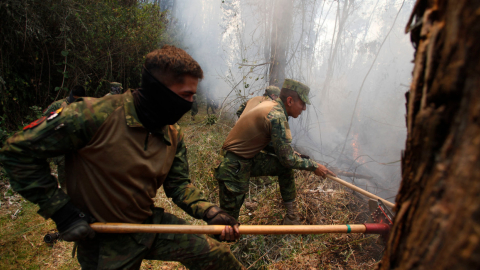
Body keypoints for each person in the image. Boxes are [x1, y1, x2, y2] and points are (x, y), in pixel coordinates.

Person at [0, 45, 243, 270]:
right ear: (159, 90)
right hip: (103, 238)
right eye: (186, 95)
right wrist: (62, 212)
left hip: (147, 225)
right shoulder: (95, 115)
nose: (190, 104)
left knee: (218, 257)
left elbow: (178, 185)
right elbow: (17, 152)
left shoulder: (173, 133)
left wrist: (210, 212)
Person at [215, 79, 336, 225]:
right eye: (302, 103)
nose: (304, 108)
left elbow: (273, 147)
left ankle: (291, 217)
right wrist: (314, 166)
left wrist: (291, 153)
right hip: (234, 167)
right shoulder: (277, 115)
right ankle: (216, 246)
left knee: (284, 168)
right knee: (227, 225)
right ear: (290, 101)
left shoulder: (272, 106)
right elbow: (288, 159)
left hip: (245, 161)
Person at [42, 85, 86, 190]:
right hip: (61, 143)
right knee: (63, 171)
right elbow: (44, 121)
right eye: (74, 98)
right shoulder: (58, 105)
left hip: (77, 145)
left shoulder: (83, 105)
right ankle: (65, 193)